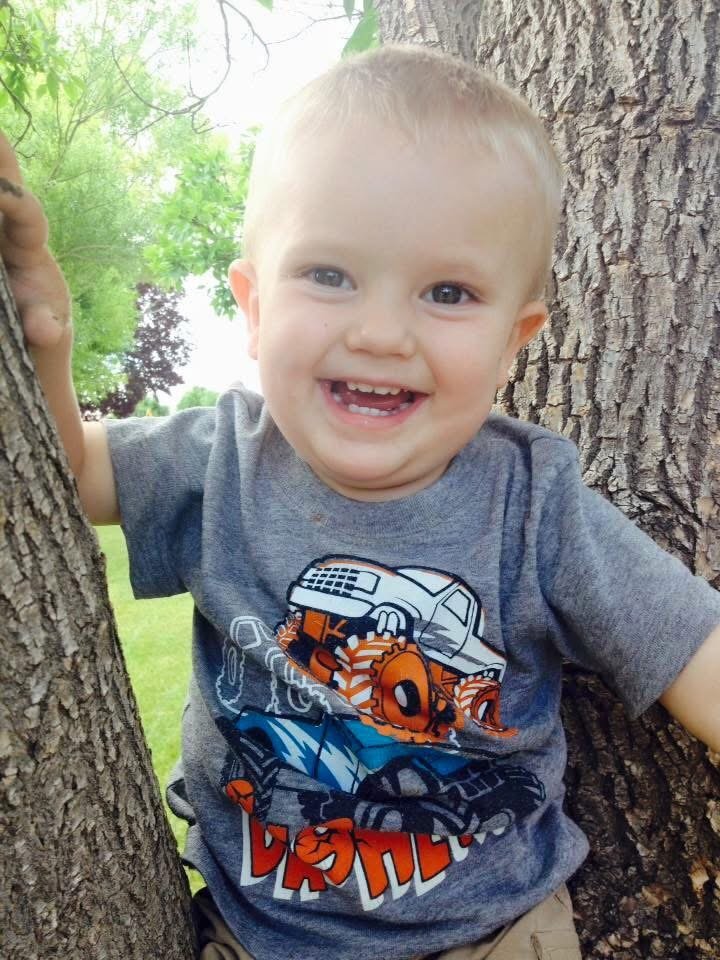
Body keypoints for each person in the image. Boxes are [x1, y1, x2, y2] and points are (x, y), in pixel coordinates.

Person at [1, 44, 719, 960]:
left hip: (489, 935)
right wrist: (45, 344)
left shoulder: (534, 503)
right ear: (253, 308)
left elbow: (701, 653)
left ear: (515, 339)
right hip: (256, 934)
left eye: (448, 292)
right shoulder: (220, 457)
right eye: (330, 275)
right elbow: (58, 479)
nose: (381, 332)